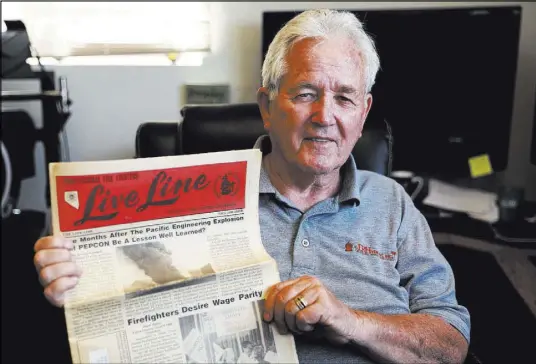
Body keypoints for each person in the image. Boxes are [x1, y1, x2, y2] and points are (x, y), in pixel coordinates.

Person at [32, 8, 470, 364]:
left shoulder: (392, 202)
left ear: (363, 112)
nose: (324, 115)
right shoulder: (189, 197)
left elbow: (450, 345)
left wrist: (349, 321)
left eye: (344, 97)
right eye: (304, 94)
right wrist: (78, 282)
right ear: (266, 106)